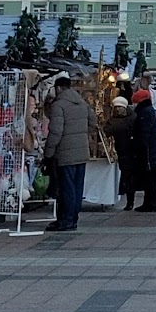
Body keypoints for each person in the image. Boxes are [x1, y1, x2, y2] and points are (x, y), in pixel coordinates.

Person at [42, 76, 92, 231]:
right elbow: (93, 122)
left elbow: (56, 132)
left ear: (58, 88)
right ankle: (73, 220)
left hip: (64, 154)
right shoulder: (83, 103)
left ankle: (65, 220)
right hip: (82, 152)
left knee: (66, 188)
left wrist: (48, 152)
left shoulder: (59, 105)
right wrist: (82, 136)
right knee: (77, 188)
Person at [126, 90, 156, 212]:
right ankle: (150, 203)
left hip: (148, 152)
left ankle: (152, 203)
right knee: (150, 179)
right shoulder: (152, 111)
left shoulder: (144, 114)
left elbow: (143, 134)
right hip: (154, 150)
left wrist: (138, 148)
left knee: (149, 179)